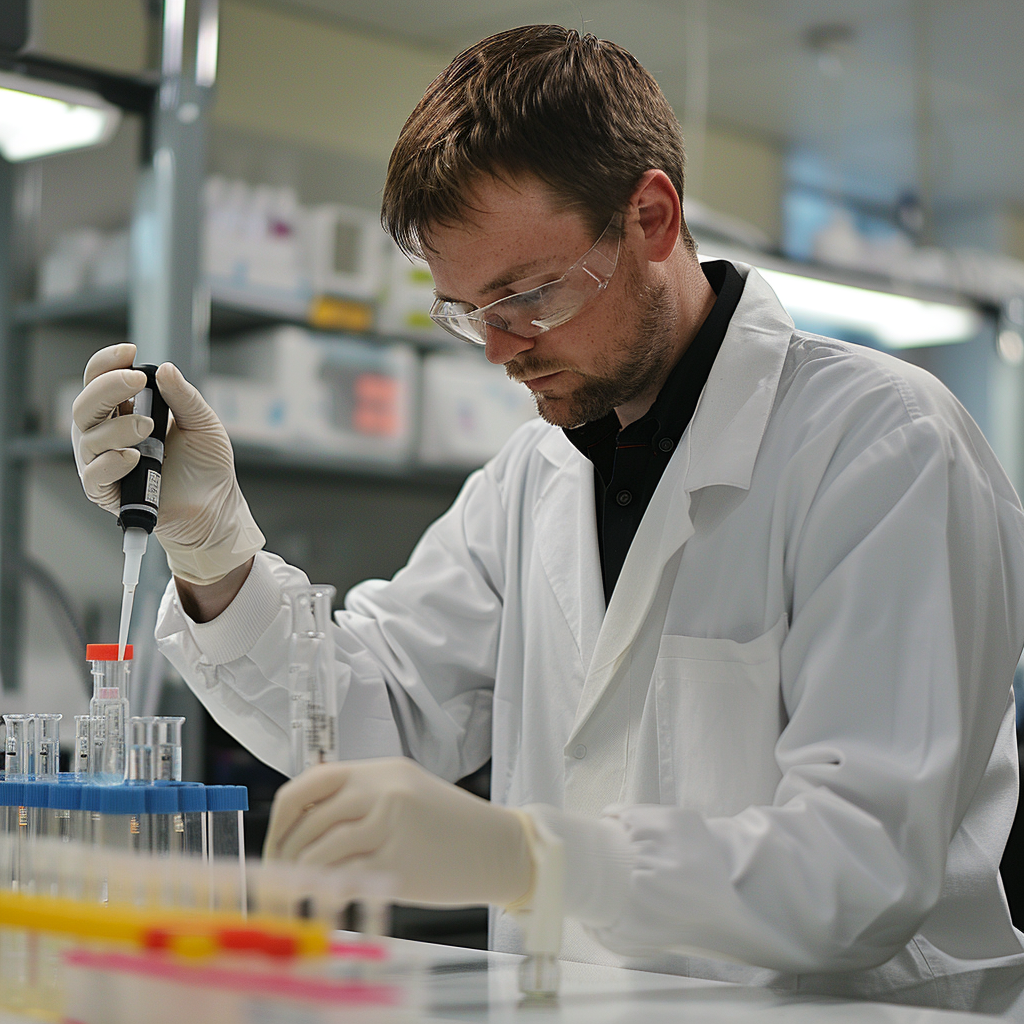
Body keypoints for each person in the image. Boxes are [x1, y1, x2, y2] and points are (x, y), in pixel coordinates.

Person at [72, 24, 1024, 1014]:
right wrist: (212, 543)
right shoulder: (533, 475)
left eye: (527, 295)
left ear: (652, 217)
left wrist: (530, 857)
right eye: (467, 310)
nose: (499, 348)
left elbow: (857, 864)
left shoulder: (882, 447)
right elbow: (371, 715)